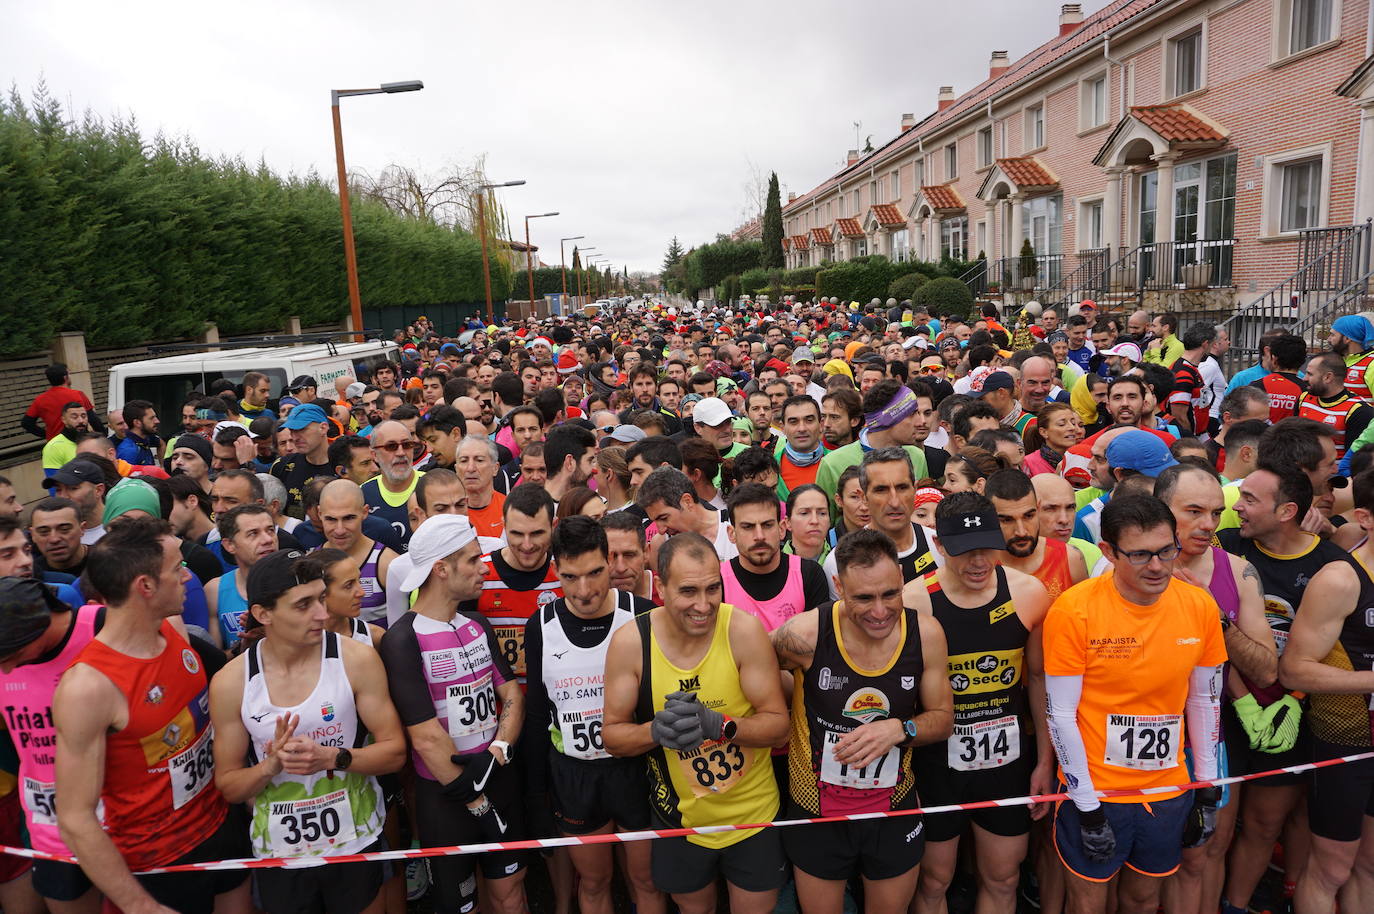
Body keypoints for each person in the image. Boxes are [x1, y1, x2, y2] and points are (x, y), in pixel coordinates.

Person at [53, 516, 251, 914]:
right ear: (144, 586)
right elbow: (74, 817)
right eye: (177, 569)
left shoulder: (176, 637)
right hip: (159, 865)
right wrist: (139, 905)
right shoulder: (88, 687)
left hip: (222, 830)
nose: (188, 577)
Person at [1044, 495, 1226, 913]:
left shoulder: (1198, 605)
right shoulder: (1074, 611)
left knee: (1144, 899)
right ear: (1108, 551)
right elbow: (1060, 715)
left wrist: (1207, 788)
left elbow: (1204, 700)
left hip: (1167, 786)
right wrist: (1087, 806)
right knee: (1089, 903)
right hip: (1097, 789)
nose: (1158, 566)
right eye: (1140, 555)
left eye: (1166, 550)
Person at [209, 548, 405, 914]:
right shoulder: (232, 682)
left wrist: (334, 757)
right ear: (262, 614)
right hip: (281, 852)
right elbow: (229, 785)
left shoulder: (356, 659)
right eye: (303, 605)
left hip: (355, 839)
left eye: (321, 599)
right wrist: (270, 766)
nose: (322, 614)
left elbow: (395, 753)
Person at [602, 532, 790, 914]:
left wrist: (720, 725)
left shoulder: (741, 630)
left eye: (712, 589)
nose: (703, 605)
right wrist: (655, 731)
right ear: (661, 587)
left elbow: (778, 726)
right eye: (688, 591)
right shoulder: (631, 642)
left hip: (752, 817)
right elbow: (612, 736)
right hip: (679, 819)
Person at [769, 528, 953, 914]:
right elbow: (745, 660)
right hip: (817, 812)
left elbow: (942, 719)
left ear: (903, 579)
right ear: (838, 586)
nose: (880, 611)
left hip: (892, 810)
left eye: (890, 594)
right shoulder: (805, 633)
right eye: (863, 598)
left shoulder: (926, 634)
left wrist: (900, 729)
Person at [902, 493, 1052, 914]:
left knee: (1004, 876)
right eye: (964, 551)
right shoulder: (913, 602)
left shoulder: (1028, 593)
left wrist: (1045, 760)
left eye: (987, 547)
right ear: (940, 546)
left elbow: (1038, 680)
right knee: (934, 879)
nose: (978, 562)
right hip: (937, 765)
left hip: (1006, 762)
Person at [379, 514, 529, 914]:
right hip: (447, 798)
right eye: (473, 560)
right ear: (441, 569)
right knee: (460, 906)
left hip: (497, 778)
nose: (484, 568)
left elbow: (511, 694)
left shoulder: (478, 623)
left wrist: (498, 750)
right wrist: (474, 796)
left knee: (512, 893)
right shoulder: (402, 639)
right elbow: (425, 735)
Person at [1216, 466, 1342, 914]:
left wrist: (1295, 699)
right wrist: (1244, 700)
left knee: (1264, 823)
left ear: (1287, 511)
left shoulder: (1329, 563)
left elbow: (1337, 649)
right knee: (1217, 829)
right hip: (1227, 707)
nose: (1236, 507)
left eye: (1249, 499)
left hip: (1291, 714)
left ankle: (1238, 904)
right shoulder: (1227, 546)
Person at [522, 517, 661, 914]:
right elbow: (535, 715)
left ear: (610, 561)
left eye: (595, 573)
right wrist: (536, 797)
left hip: (636, 768)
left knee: (646, 880)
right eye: (570, 577)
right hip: (574, 774)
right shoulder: (542, 626)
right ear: (554, 571)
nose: (584, 591)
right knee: (595, 881)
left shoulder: (644, 615)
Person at [1279, 466, 1374, 911]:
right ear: (1365, 518)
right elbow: (1294, 671)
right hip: (1346, 741)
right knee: (1332, 868)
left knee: (1370, 867)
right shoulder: (1341, 579)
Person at [467, 484, 564, 683]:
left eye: (537, 533)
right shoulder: (478, 573)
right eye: (517, 534)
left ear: (553, 526)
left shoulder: (568, 574)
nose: (527, 545)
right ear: (503, 525)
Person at [720, 483, 830, 632]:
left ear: (782, 528)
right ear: (731, 534)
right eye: (748, 527)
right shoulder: (717, 581)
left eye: (767, 525)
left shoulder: (810, 575)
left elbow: (818, 644)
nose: (759, 536)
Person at [815, 380, 930, 516]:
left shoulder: (917, 456)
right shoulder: (832, 463)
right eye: (912, 414)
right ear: (889, 419)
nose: (921, 421)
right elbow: (824, 522)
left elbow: (922, 511)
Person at [986, 469, 1087, 602]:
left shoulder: (1070, 559)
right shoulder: (979, 565)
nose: (1021, 532)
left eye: (1028, 516)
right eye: (1007, 520)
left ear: (1037, 507)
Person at [318, 479, 398, 628]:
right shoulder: (311, 563)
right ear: (319, 514)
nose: (340, 529)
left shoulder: (388, 564)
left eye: (348, 518)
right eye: (331, 519)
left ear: (364, 512)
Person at [205, 504, 279, 649]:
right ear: (229, 545)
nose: (267, 539)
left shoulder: (301, 583)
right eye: (253, 533)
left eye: (270, 530)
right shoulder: (215, 590)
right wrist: (245, 646)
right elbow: (216, 662)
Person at [639, 466, 739, 564]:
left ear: (687, 502)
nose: (661, 530)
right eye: (655, 521)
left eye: (664, 518)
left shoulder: (736, 526)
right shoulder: (659, 544)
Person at [1296, 351, 1373, 460]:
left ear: (1328, 377)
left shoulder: (1358, 410)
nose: (1304, 378)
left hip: (1334, 475)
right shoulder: (1303, 399)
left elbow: (1354, 460)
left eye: (1310, 374)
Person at [362, 420, 423, 547]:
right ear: (374, 455)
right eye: (391, 447)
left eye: (406, 445)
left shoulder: (432, 485)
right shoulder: (362, 493)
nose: (401, 453)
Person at [271, 403, 337, 517]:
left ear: (323, 428)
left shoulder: (344, 464)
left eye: (301, 429)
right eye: (292, 430)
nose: (295, 437)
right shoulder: (282, 465)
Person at [23, 364, 100, 442]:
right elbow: (93, 419)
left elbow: (26, 423)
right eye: (69, 374)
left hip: (54, 443)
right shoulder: (78, 395)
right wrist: (104, 437)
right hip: (77, 441)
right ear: (65, 377)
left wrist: (46, 434)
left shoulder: (39, 400)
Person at [776, 395, 826, 497]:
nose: (802, 428)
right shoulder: (770, 467)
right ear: (783, 427)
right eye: (793, 422)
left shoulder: (837, 464)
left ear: (821, 424)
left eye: (809, 420)